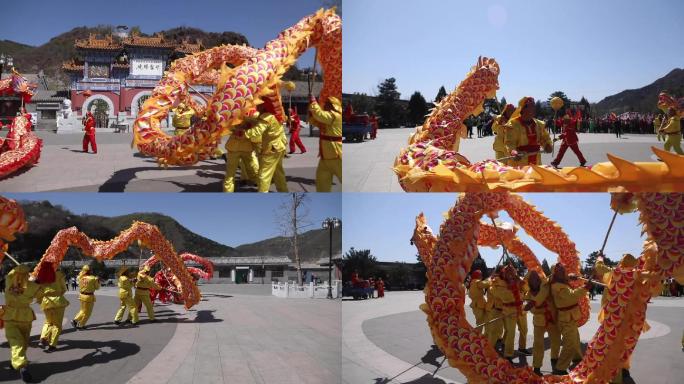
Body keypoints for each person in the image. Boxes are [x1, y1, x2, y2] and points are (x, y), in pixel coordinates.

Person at [2, 264, 45, 382]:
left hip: (10, 315)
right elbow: (40, 298)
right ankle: (19, 362)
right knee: (24, 341)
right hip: (25, 316)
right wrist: (37, 282)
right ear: (27, 274)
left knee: (15, 341)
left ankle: (19, 363)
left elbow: (11, 274)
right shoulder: (32, 286)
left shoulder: (9, 282)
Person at [550, 263, 590, 375]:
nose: (563, 272)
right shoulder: (557, 286)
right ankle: (560, 368)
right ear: (555, 273)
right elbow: (571, 297)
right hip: (565, 319)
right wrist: (585, 288)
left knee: (575, 339)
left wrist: (570, 276)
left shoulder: (560, 282)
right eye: (560, 271)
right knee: (570, 343)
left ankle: (577, 358)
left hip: (570, 317)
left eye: (563, 270)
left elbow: (565, 278)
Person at [244, 105, 289, 193]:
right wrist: (247, 119)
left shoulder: (266, 117)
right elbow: (258, 121)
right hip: (279, 147)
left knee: (264, 175)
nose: (257, 107)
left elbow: (257, 130)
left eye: (259, 105)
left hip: (271, 150)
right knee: (278, 173)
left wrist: (243, 133)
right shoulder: (276, 115)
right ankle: (284, 192)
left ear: (264, 106)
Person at [525, 270, 560, 376]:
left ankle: (554, 359)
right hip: (539, 323)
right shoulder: (528, 294)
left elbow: (536, 305)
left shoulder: (546, 287)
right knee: (538, 345)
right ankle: (537, 367)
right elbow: (533, 311)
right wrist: (541, 308)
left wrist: (535, 304)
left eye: (536, 278)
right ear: (529, 282)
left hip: (552, 320)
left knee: (556, 341)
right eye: (532, 279)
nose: (535, 281)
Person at [490, 264, 526, 361]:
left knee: (524, 330)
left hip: (520, 309)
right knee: (511, 332)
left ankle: (522, 348)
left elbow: (527, 290)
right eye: (507, 272)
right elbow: (504, 295)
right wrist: (515, 287)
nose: (510, 274)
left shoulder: (519, 280)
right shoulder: (499, 283)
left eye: (512, 271)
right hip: (509, 311)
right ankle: (508, 354)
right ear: (503, 274)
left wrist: (521, 284)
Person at [505, 97, 552, 167]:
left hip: (536, 160)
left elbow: (544, 138)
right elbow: (509, 143)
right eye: (531, 106)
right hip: (519, 163)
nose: (534, 109)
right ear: (523, 109)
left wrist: (547, 145)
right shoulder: (513, 124)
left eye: (534, 106)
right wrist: (513, 152)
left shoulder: (539, 124)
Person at [309, 96, 342, 192]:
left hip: (336, 155)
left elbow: (319, 115)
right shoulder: (327, 118)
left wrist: (314, 102)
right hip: (325, 157)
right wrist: (311, 110)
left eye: (328, 104)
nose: (325, 105)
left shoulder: (335, 116)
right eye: (326, 103)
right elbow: (315, 120)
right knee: (321, 182)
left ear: (334, 106)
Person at [38, 263, 69, 352]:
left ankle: (43, 338)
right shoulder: (59, 275)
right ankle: (52, 345)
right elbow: (64, 289)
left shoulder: (40, 276)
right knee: (57, 324)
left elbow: (38, 290)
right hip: (58, 301)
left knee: (48, 322)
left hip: (46, 301)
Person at [223, 118, 259, 192]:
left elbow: (257, 128)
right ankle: (261, 185)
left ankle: (261, 184)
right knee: (231, 173)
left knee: (252, 169)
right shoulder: (234, 116)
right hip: (239, 148)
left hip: (240, 148)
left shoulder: (250, 117)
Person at [71, 265, 101, 329]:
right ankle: (81, 324)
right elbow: (97, 287)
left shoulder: (80, 277)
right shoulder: (93, 278)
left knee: (82, 310)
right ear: (90, 271)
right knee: (88, 312)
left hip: (81, 295)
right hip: (88, 296)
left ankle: (75, 320)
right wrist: (98, 281)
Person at [468, 270, 490, 335]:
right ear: (478, 276)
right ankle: (477, 335)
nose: (482, 276)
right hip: (478, 305)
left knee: (482, 321)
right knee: (480, 322)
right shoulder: (477, 282)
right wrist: (489, 279)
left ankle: (479, 335)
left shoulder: (473, 282)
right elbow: (486, 284)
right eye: (480, 275)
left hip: (477, 305)